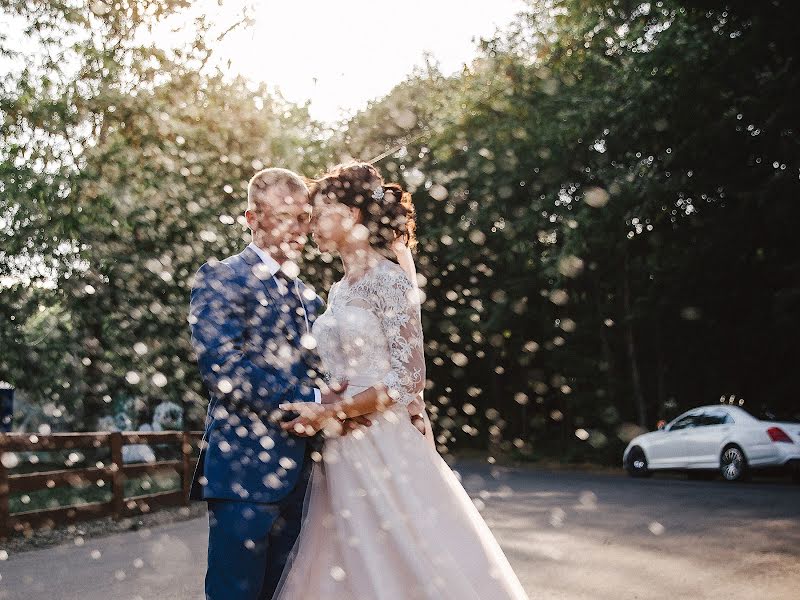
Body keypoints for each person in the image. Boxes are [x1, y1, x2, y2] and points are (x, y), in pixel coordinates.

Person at [275, 162, 529, 599]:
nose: (310, 222)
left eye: (320, 211)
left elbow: (408, 378)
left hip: (384, 442)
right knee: (345, 562)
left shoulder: (389, 281)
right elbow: (346, 369)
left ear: (352, 215)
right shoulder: (339, 290)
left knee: (407, 556)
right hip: (342, 448)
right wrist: (332, 398)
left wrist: (334, 411)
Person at [188, 167, 367, 600]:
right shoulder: (222, 277)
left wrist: (341, 405)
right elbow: (223, 369)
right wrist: (306, 399)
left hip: (304, 476)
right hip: (244, 472)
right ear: (252, 219)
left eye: (304, 216)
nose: (298, 228)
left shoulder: (310, 295)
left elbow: (318, 373)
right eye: (283, 216)